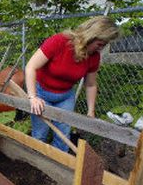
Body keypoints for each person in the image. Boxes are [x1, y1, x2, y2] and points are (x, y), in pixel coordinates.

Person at [25, 16, 119, 152]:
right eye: (100, 44)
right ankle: (36, 161)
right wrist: (33, 97)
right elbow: (31, 67)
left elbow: (91, 84)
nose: (101, 49)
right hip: (42, 94)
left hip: (65, 97)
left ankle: (57, 167)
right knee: (40, 133)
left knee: (63, 136)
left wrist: (91, 111)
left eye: (104, 45)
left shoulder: (94, 56)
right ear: (90, 36)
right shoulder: (59, 42)